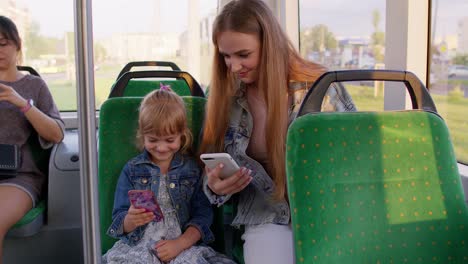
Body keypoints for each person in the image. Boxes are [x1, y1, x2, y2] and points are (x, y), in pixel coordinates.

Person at [199, 1, 356, 263]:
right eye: (226, 56)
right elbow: (209, 172)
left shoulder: (321, 88)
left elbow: (357, 156)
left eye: (243, 54)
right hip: (266, 212)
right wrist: (216, 187)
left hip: (326, 209)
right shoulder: (223, 99)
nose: (234, 67)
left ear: (269, 45)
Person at [103, 88, 235, 264]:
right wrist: (130, 220)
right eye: (153, 140)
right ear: (142, 136)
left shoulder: (192, 170)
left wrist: (180, 244)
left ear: (182, 135)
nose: (162, 148)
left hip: (183, 247)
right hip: (140, 248)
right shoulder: (132, 170)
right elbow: (119, 218)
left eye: (170, 140)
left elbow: (203, 215)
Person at [0, 16, 65, 261]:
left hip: (18, 177)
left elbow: (56, 133)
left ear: (18, 46)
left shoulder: (34, 86)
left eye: (3, 43)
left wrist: (21, 103)